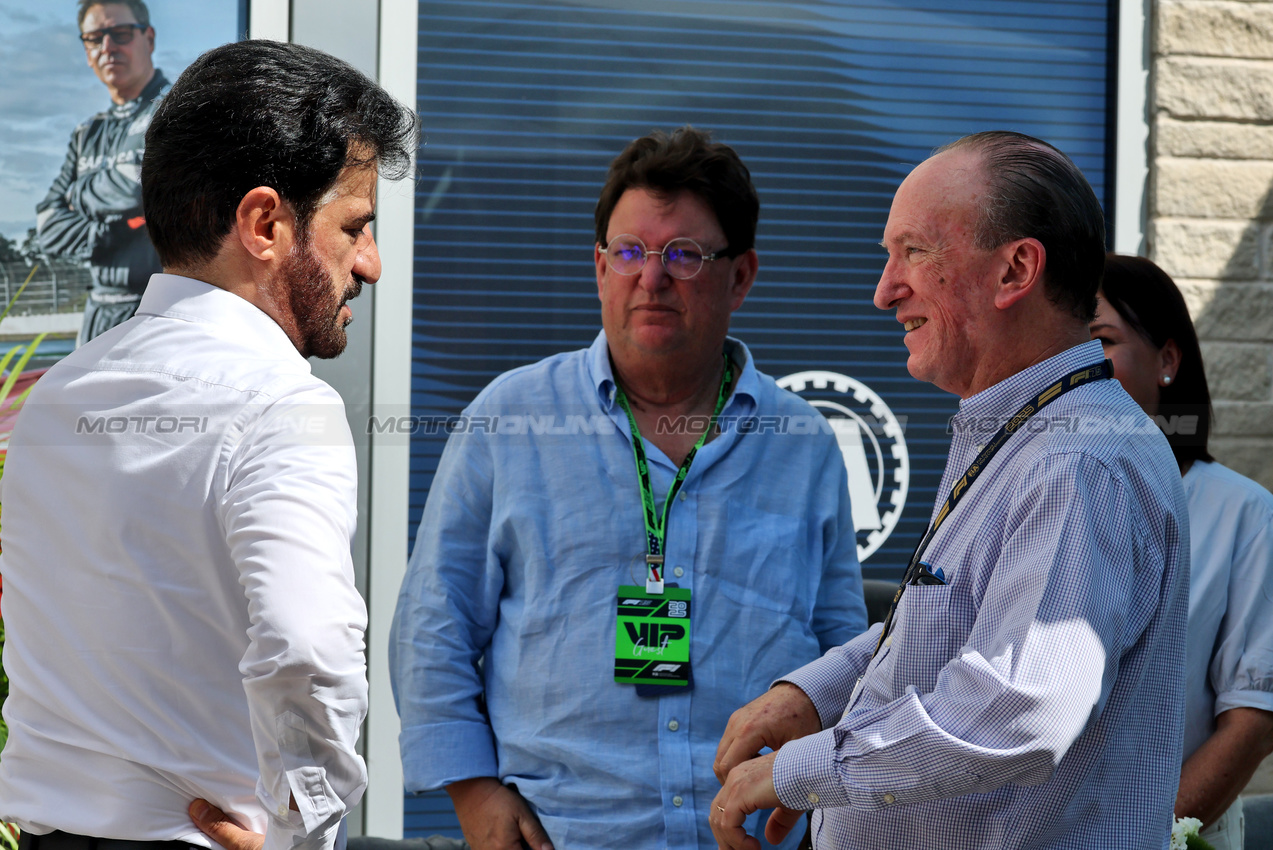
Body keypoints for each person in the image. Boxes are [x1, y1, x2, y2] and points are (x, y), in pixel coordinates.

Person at [389, 126, 868, 850]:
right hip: (560, 833)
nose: (651, 279)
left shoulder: (802, 444)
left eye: (684, 255)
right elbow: (434, 625)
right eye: (630, 253)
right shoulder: (512, 420)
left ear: (740, 277)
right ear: (598, 266)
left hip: (746, 836)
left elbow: (841, 655)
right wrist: (472, 793)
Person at [710, 132, 1190, 850]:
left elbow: (1020, 708)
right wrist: (815, 694)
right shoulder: (1033, 435)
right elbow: (964, 629)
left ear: (1015, 270)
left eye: (913, 251)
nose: (883, 291)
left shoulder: (1076, 460)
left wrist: (801, 771)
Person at [0, 40, 418, 850]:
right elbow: (306, 648)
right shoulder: (281, 407)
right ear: (264, 223)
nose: (369, 263)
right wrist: (306, 834)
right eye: (355, 226)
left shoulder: (55, 400)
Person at [1093, 253, 1273, 850]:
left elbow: (1252, 716)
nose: (1077, 366)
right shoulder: (1036, 493)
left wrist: (1145, 832)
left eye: (1101, 340)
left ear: (1167, 360)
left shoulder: (1241, 511)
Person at [36, 0, 169, 344]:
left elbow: (135, 186)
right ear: (85, 49)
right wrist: (109, 232)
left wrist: (78, 192)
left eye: (120, 34)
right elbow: (48, 224)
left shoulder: (174, 111)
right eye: (95, 39)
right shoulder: (86, 134)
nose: (108, 48)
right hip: (96, 316)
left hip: (159, 313)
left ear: (149, 39)